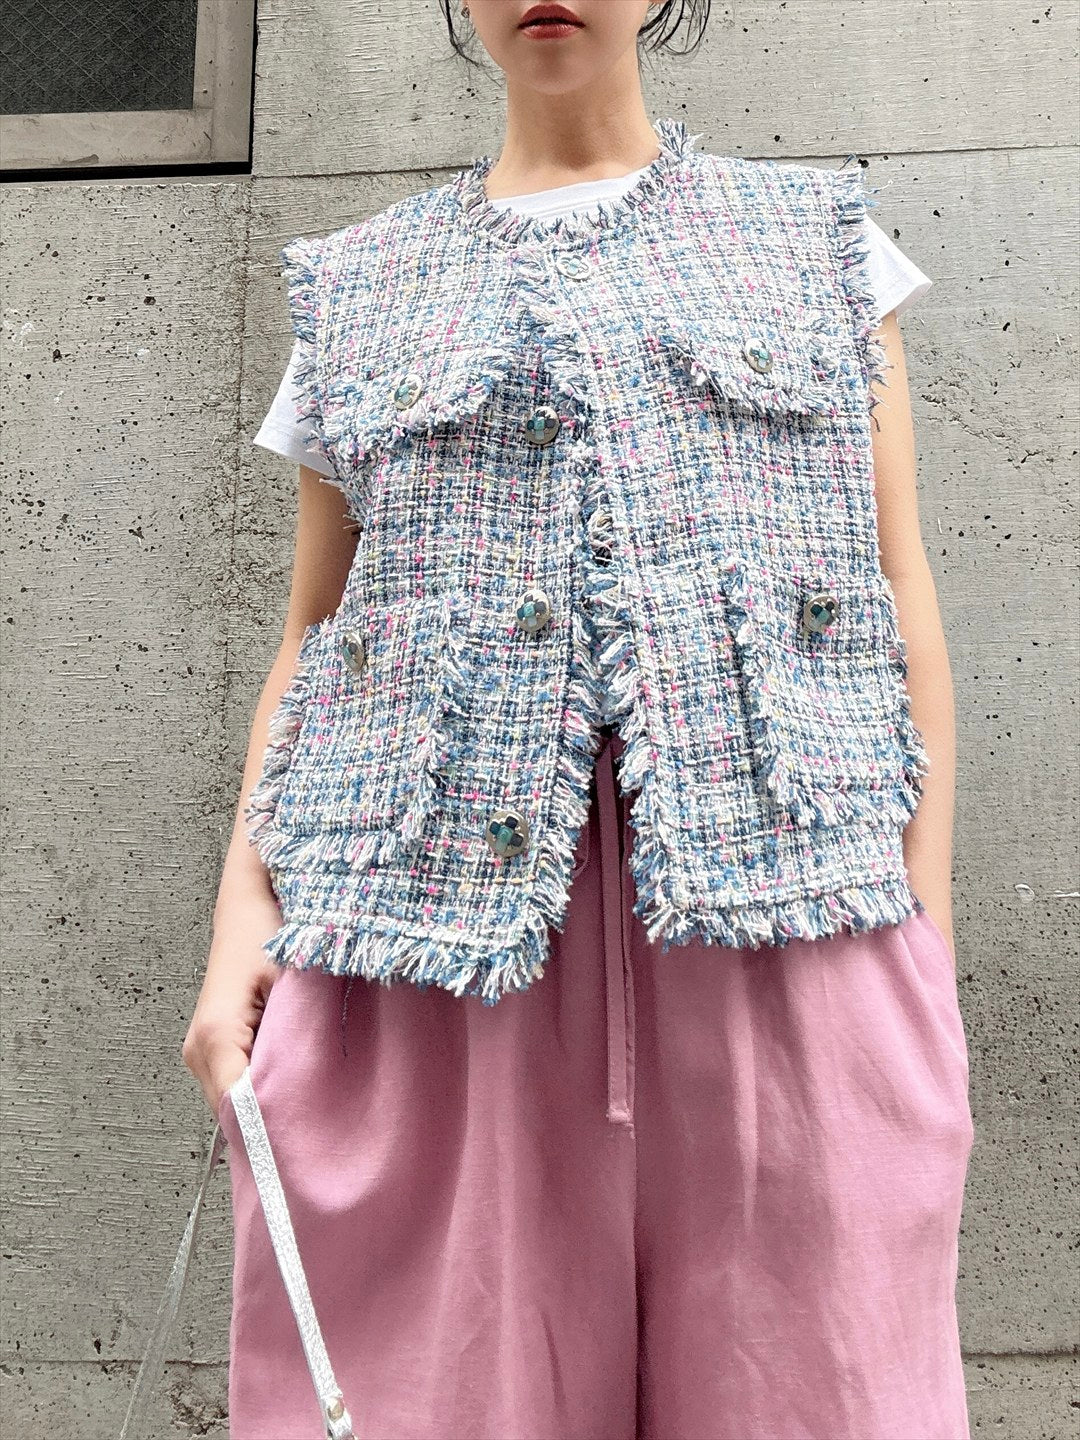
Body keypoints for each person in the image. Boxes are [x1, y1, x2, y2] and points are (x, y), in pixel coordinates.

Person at [182, 4, 974, 1437]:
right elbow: (317, 628)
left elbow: (895, 576)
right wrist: (243, 920)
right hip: (425, 947)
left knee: (817, 1393)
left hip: (791, 924)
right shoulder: (359, 287)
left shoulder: (816, 243)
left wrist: (924, 935)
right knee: (441, 1392)